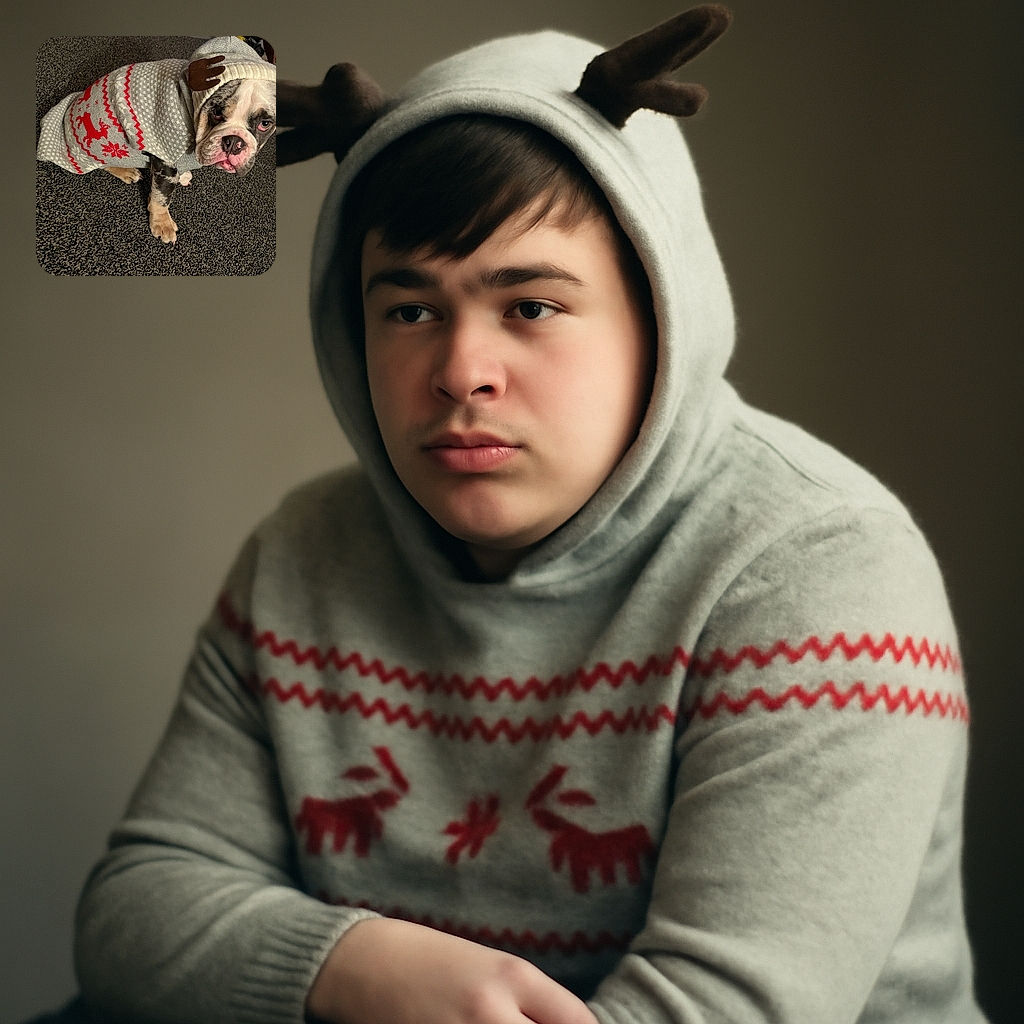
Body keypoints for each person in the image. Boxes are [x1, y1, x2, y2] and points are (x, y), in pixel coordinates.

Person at [72, 8, 986, 1023]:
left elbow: (723, 1011)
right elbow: (135, 910)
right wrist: (362, 968)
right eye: (409, 309)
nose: (461, 373)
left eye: (531, 306)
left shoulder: (821, 566)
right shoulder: (304, 552)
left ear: (661, 313)